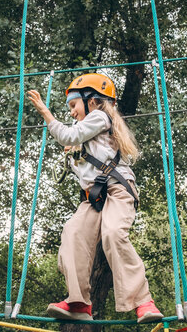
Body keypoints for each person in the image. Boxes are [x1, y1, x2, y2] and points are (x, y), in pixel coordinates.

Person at [27, 73, 163, 323]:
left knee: (113, 234)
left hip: (118, 191)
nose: (71, 112)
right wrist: (75, 158)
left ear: (92, 101)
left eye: (73, 105)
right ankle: (79, 302)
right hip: (94, 198)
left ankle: (143, 302)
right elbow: (81, 157)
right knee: (73, 233)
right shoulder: (88, 135)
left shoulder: (100, 116)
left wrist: (46, 113)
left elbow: (68, 135)